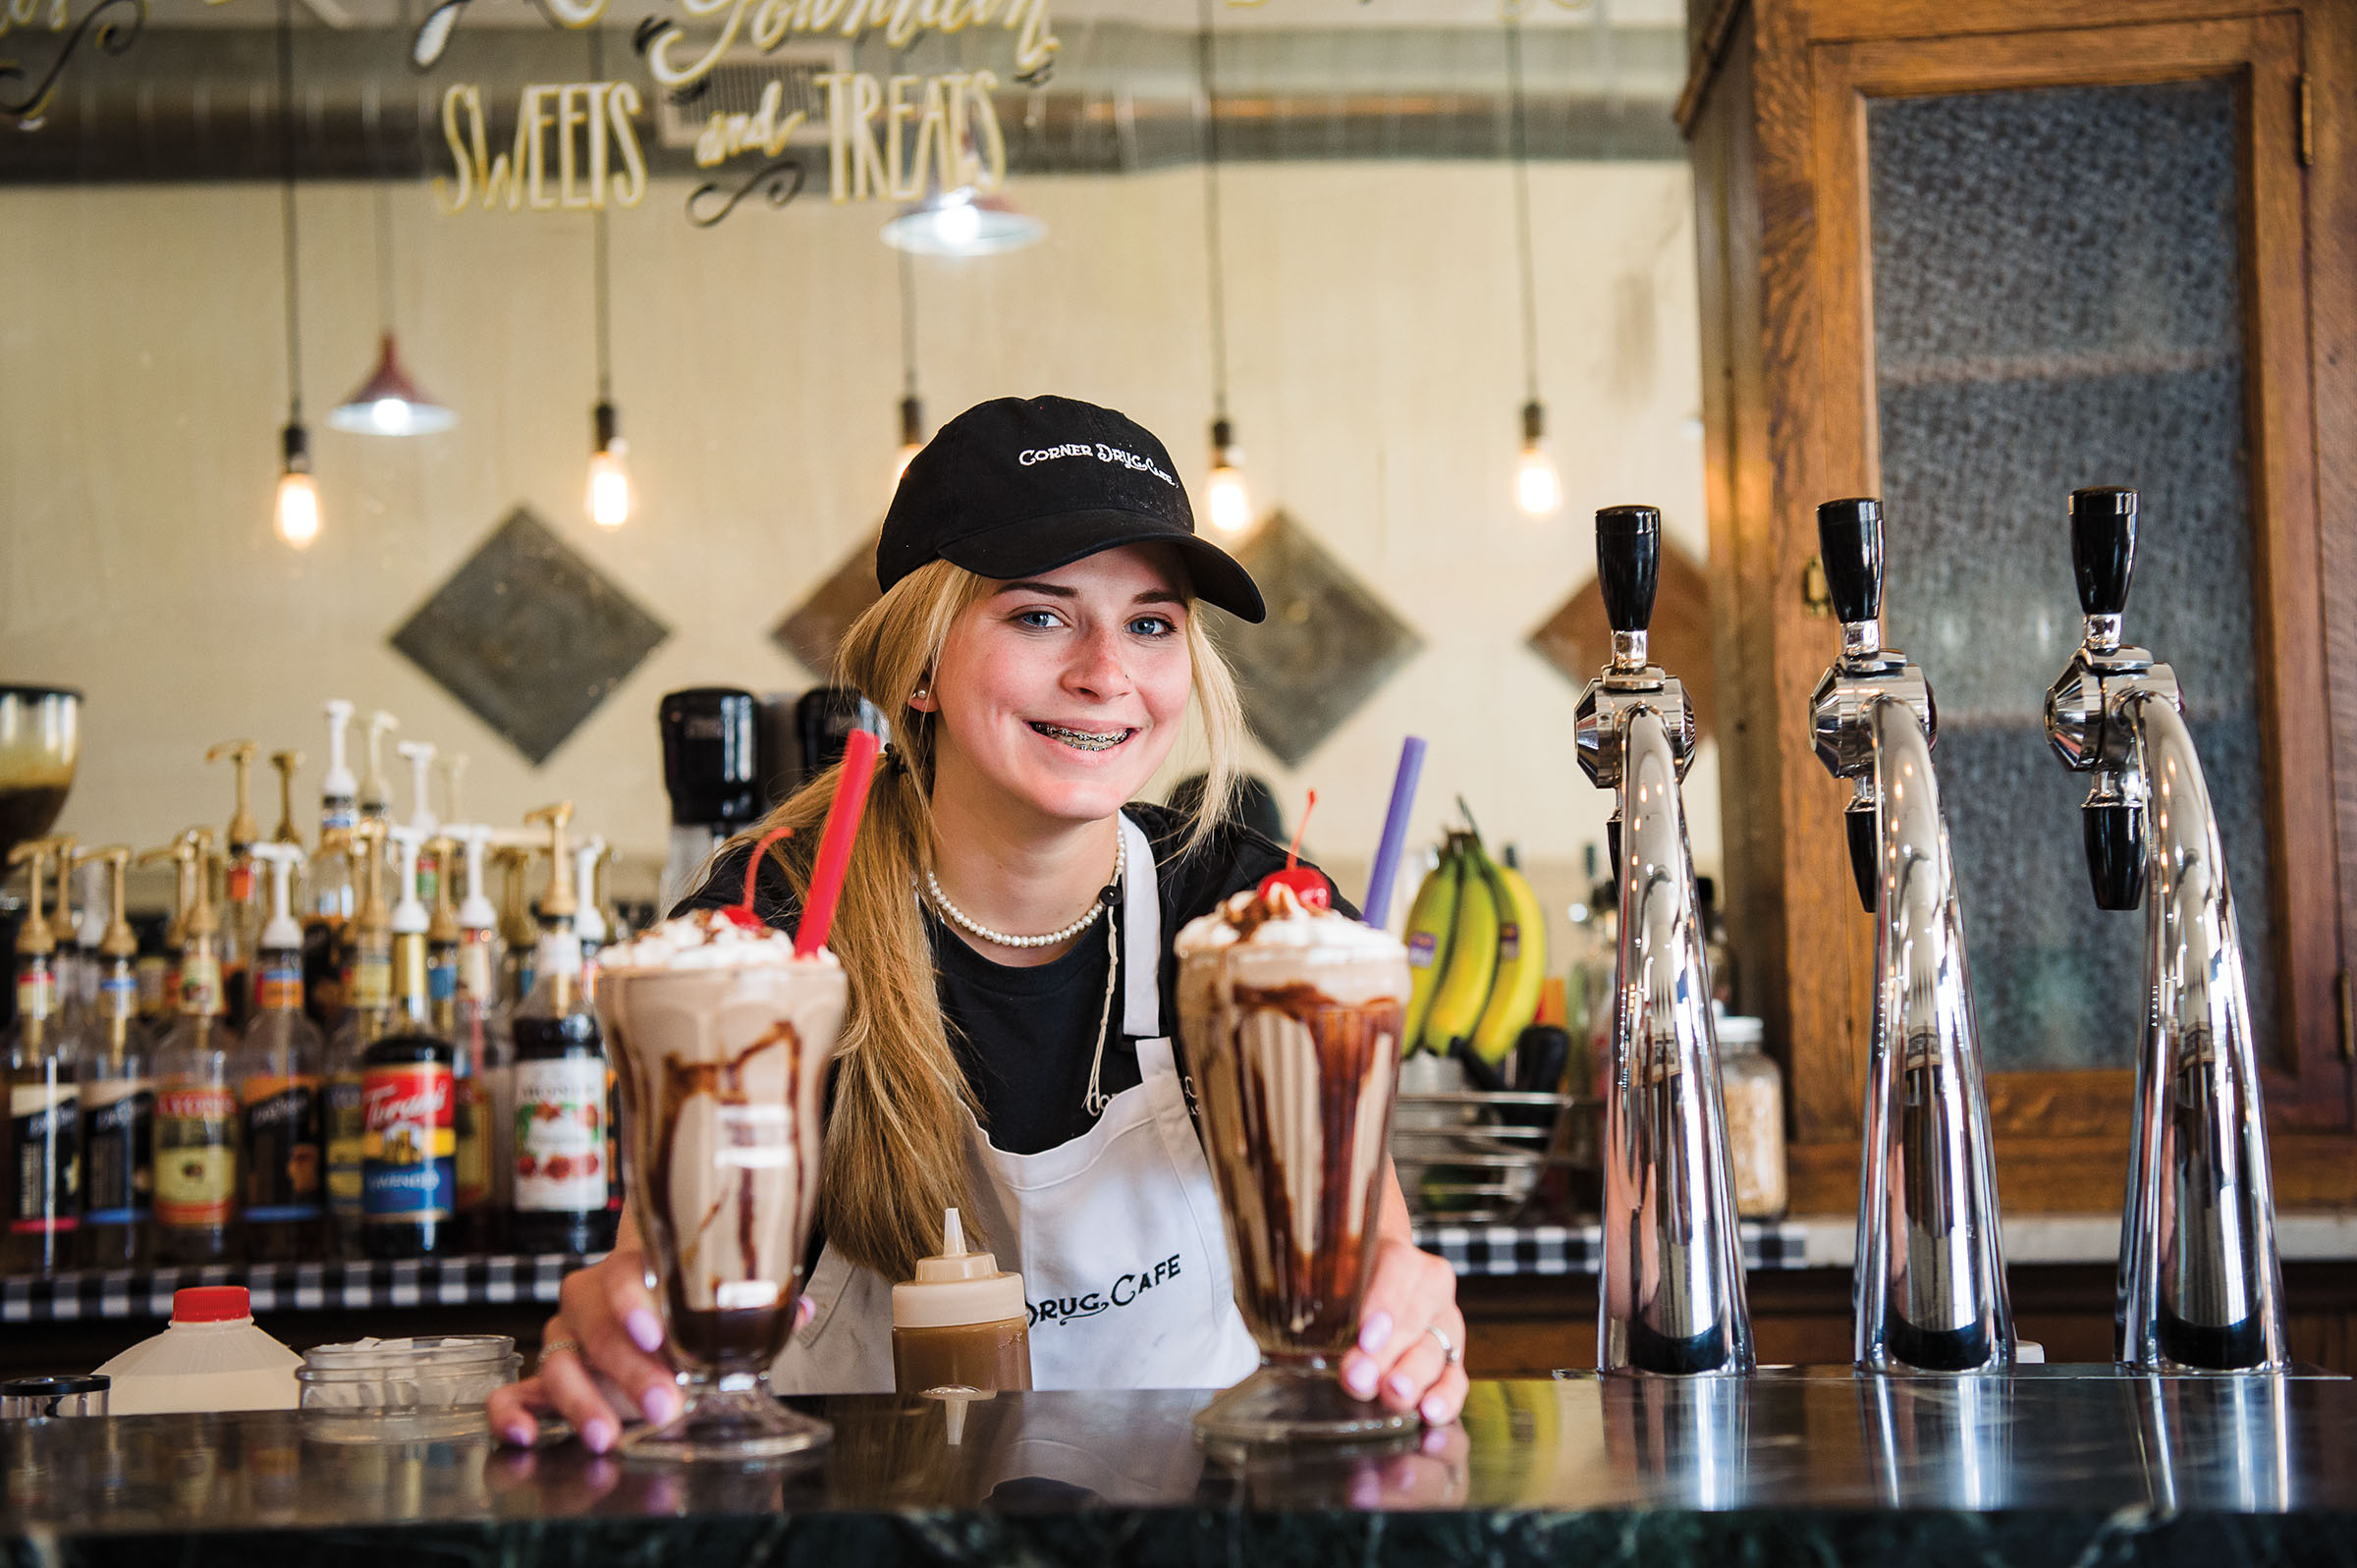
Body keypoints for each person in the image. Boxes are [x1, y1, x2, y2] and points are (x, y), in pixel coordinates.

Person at [488, 396, 1464, 1452]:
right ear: (917, 663)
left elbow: (1372, 1257)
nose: (1106, 671)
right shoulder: (764, 927)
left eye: (1151, 622)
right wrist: (624, 1339)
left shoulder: (1259, 920)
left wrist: (1404, 1320)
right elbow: (664, 1274)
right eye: (1040, 614)